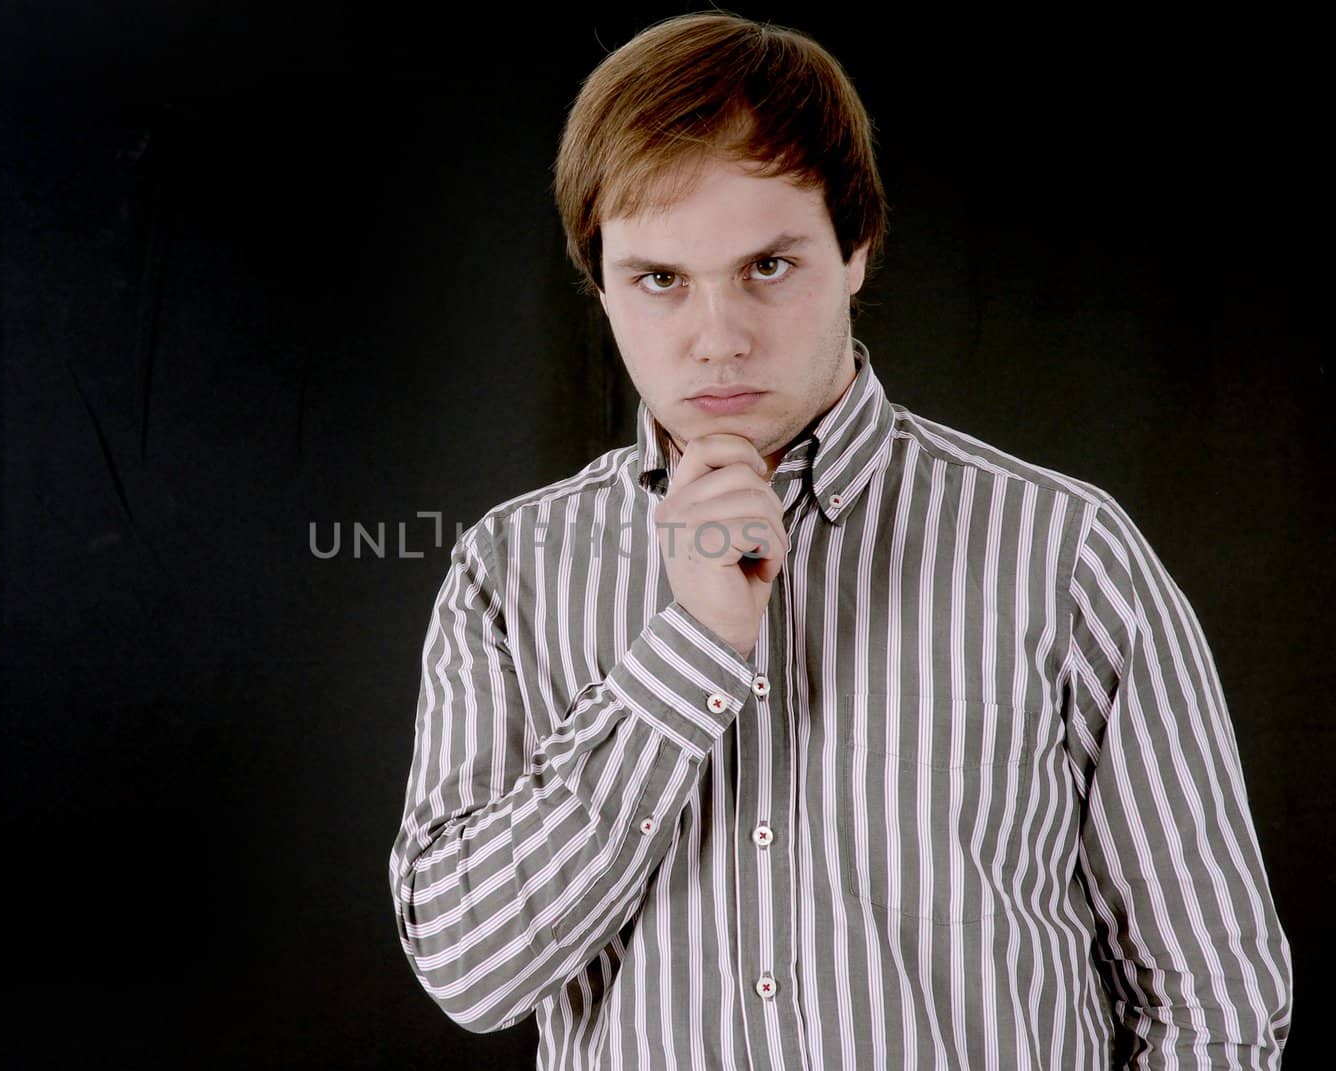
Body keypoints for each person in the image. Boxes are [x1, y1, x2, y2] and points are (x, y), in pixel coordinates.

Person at [387, 11, 1293, 1068]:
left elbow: (1214, 1002)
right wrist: (691, 650)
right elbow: (468, 974)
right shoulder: (511, 574)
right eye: (659, 280)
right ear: (599, 284)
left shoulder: (1062, 552)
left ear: (856, 246)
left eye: (767, 266)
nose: (716, 335)